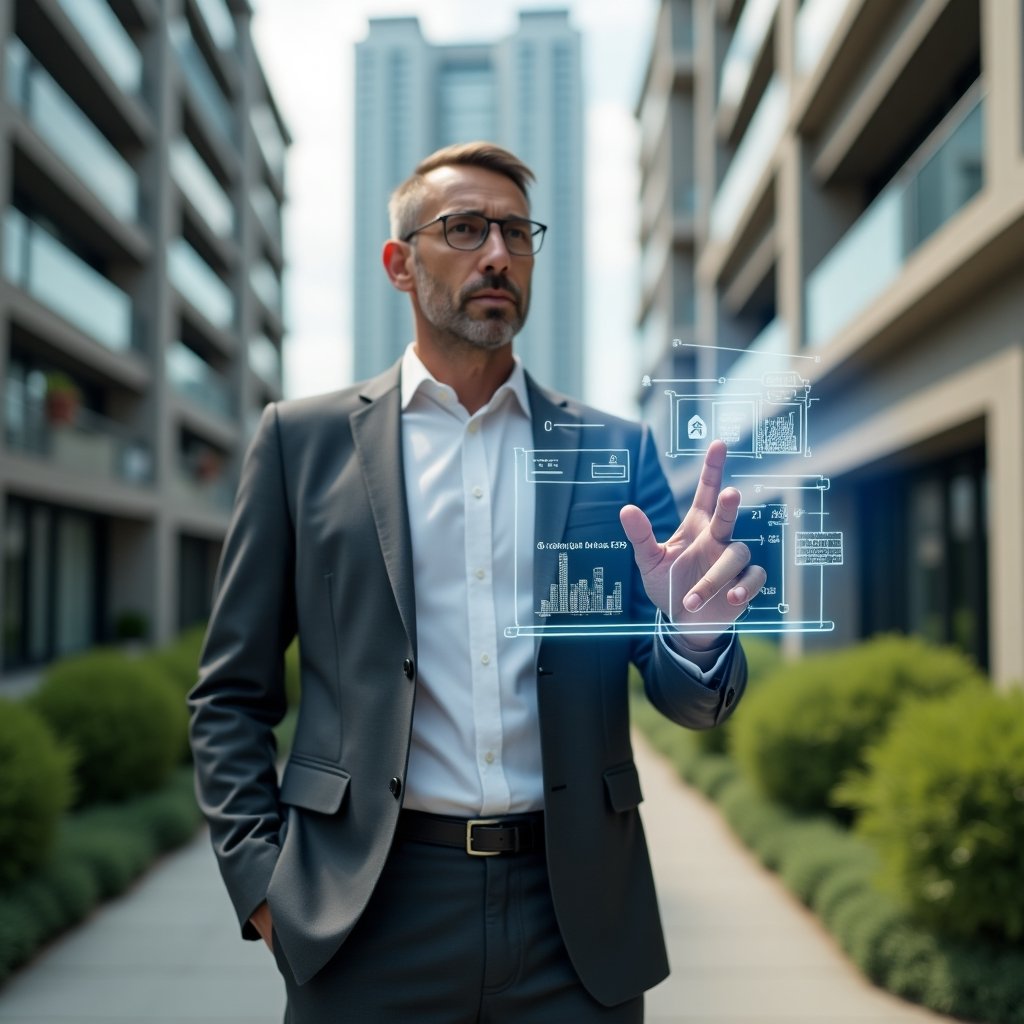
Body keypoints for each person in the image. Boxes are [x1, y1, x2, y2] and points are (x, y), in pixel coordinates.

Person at [189, 142, 765, 1023]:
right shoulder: (301, 446)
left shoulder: (613, 453)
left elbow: (685, 699)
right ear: (399, 262)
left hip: (574, 919)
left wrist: (692, 633)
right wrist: (265, 890)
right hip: (367, 912)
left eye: (516, 232)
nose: (498, 253)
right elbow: (230, 694)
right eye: (465, 228)